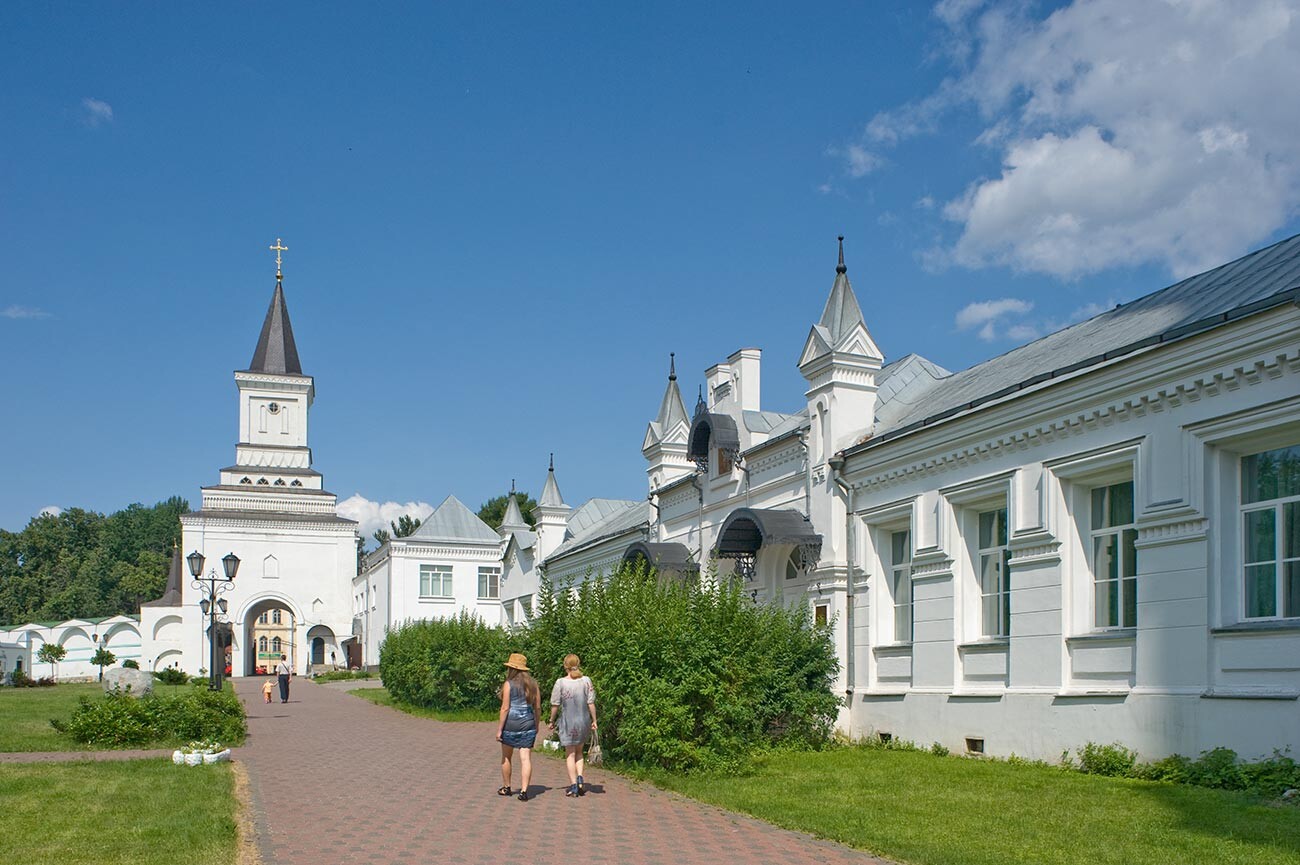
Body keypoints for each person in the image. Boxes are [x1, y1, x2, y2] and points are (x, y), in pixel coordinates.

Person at [548, 653, 597, 797]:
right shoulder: (586, 680)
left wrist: (551, 720)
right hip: (583, 721)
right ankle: (580, 777)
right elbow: (591, 702)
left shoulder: (560, 682)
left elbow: (555, 704)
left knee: (570, 754)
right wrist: (594, 720)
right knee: (580, 752)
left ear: (565, 666)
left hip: (568, 722)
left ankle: (573, 784)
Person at [496, 653, 541, 801]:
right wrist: (537, 724)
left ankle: (507, 787)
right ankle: (524, 791)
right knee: (525, 758)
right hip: (528, 723)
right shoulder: (533, 684)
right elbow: (538, 707)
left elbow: (505, 708)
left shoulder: (508, 684)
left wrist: (500, 729)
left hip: (511, 724)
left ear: (511, 668)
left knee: (506, 757)